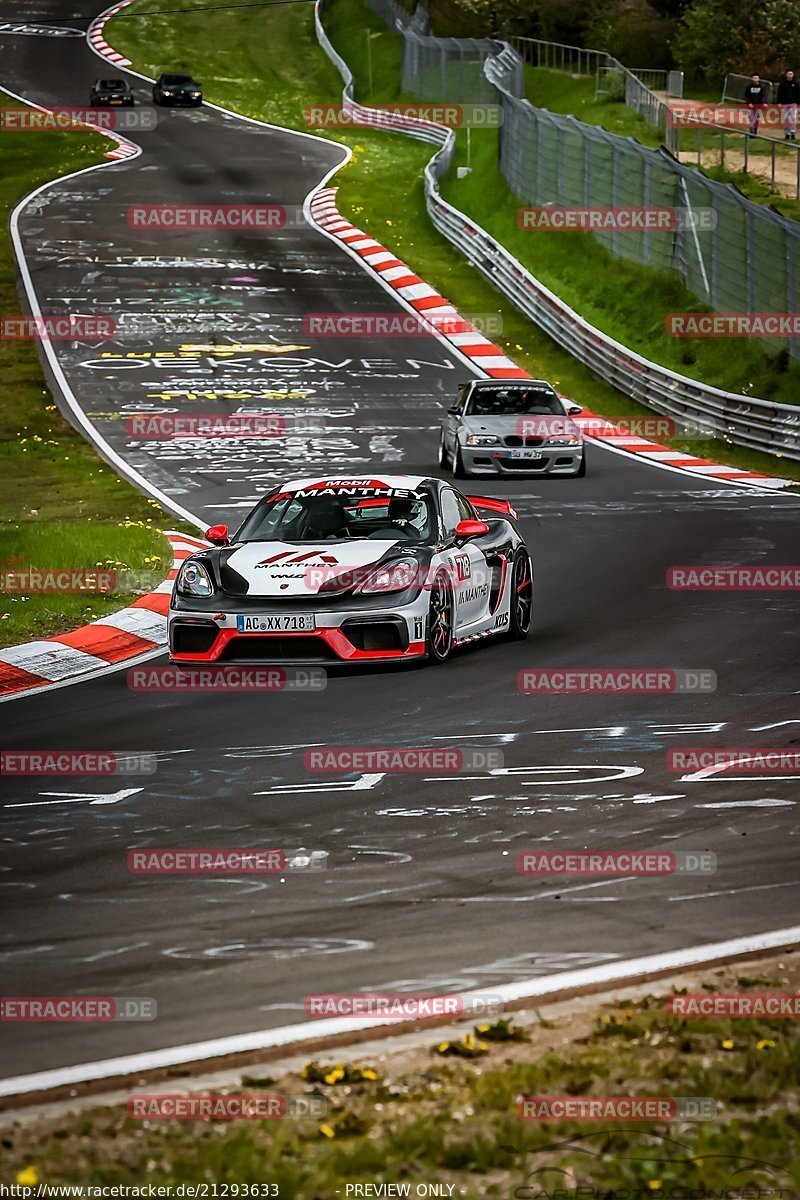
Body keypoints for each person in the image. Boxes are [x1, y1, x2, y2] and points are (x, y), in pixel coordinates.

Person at [777, 69, 800, 140]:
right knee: (786, 119)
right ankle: (787, 133)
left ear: (793, 75)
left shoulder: (796, 84)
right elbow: (779, 94)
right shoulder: (783, 84)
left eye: (791, 74)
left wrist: (798, 103)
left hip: (793, 103)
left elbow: (798, 94)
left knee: (793, 118)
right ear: (786, 75)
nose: (790, 75)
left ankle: (793, 133)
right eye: (788, 74)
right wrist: (779, 102)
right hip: (784, 103)